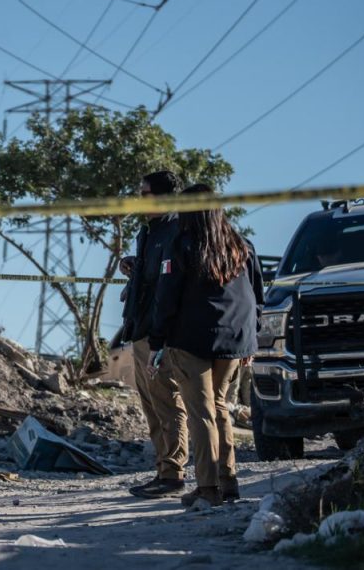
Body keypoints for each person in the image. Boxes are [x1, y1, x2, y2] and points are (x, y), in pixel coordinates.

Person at [148, 183, 264, 509]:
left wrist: (157, 341)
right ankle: (229, 483)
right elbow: (257, 295)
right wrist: (251, 336)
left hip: (192, 339)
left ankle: (207, 488)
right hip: (235, 339)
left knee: (200, 414)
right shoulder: (243, 246)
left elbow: (166, 298)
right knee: (219, 407)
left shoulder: (181, 244)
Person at [120, 170, 189, 498]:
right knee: (151, 403)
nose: (139, 198)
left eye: (144, 193)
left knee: (167, 401)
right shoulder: (150, 231)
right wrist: (135, 264)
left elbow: (172, 285)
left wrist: (162, 337)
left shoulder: (177, 230)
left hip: (160, 335)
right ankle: (163, 469)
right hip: (141, 329)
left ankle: (174, 471)